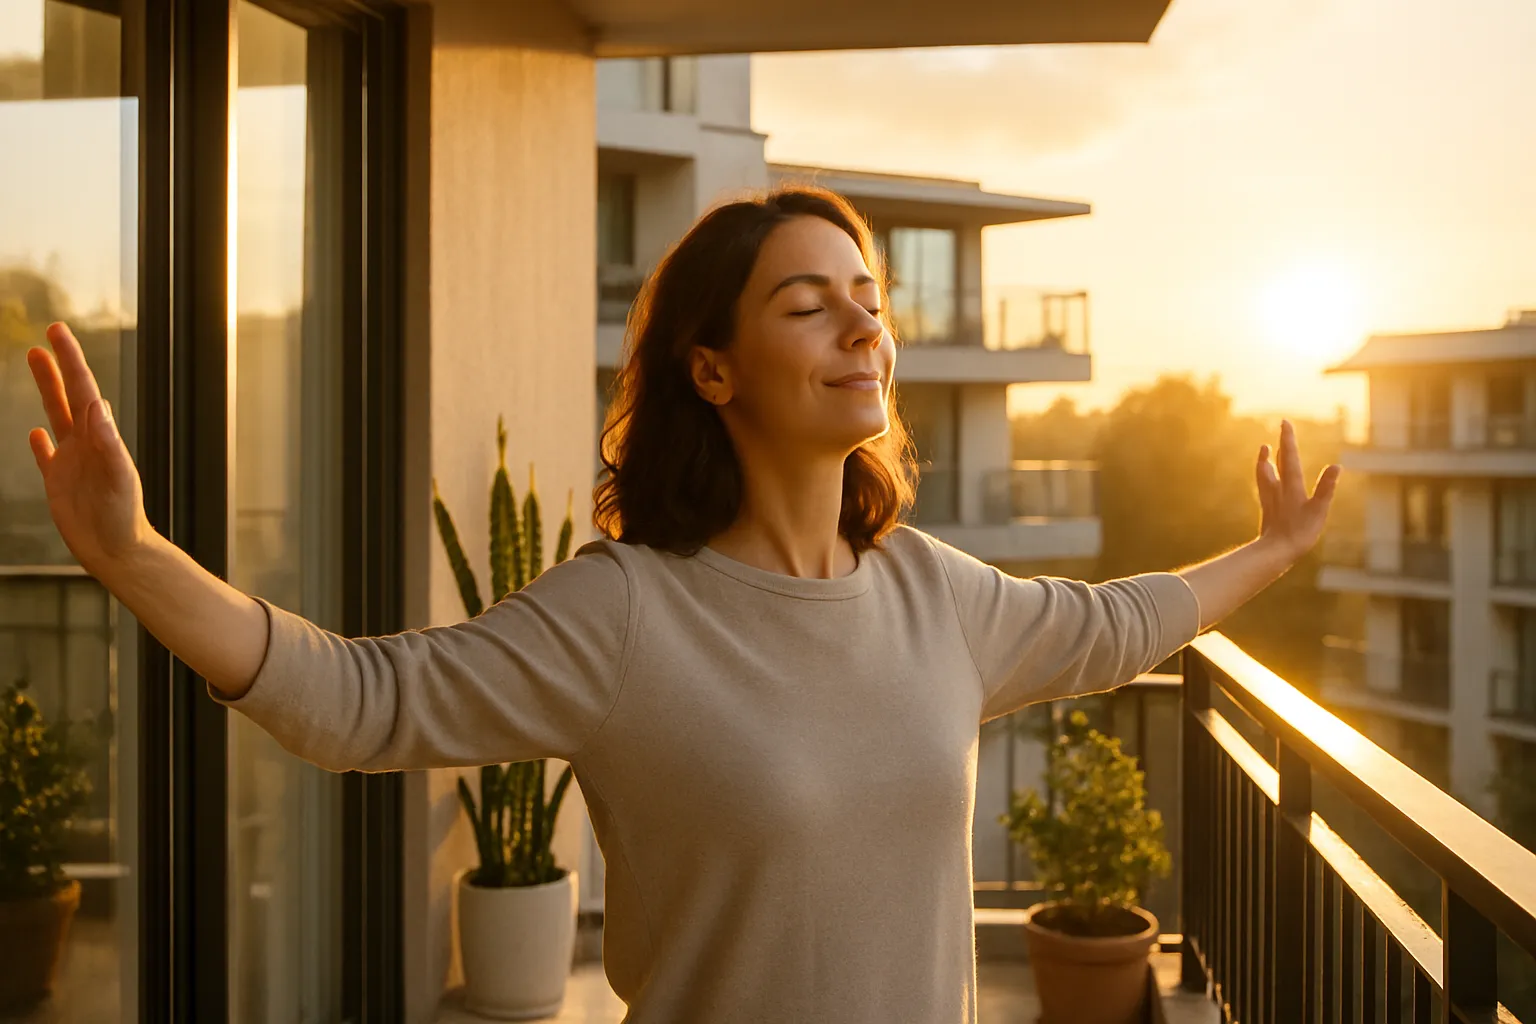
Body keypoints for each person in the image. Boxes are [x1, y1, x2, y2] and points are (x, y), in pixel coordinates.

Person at [25, 186, 1337, 1023]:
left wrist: (1269, 553)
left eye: (870, 307)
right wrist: (137, 554)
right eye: (811, 307)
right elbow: (362, 701)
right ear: (713, 369)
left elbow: (1117, 625)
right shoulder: (628, 613)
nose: (864, 331)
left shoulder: (937, 594)